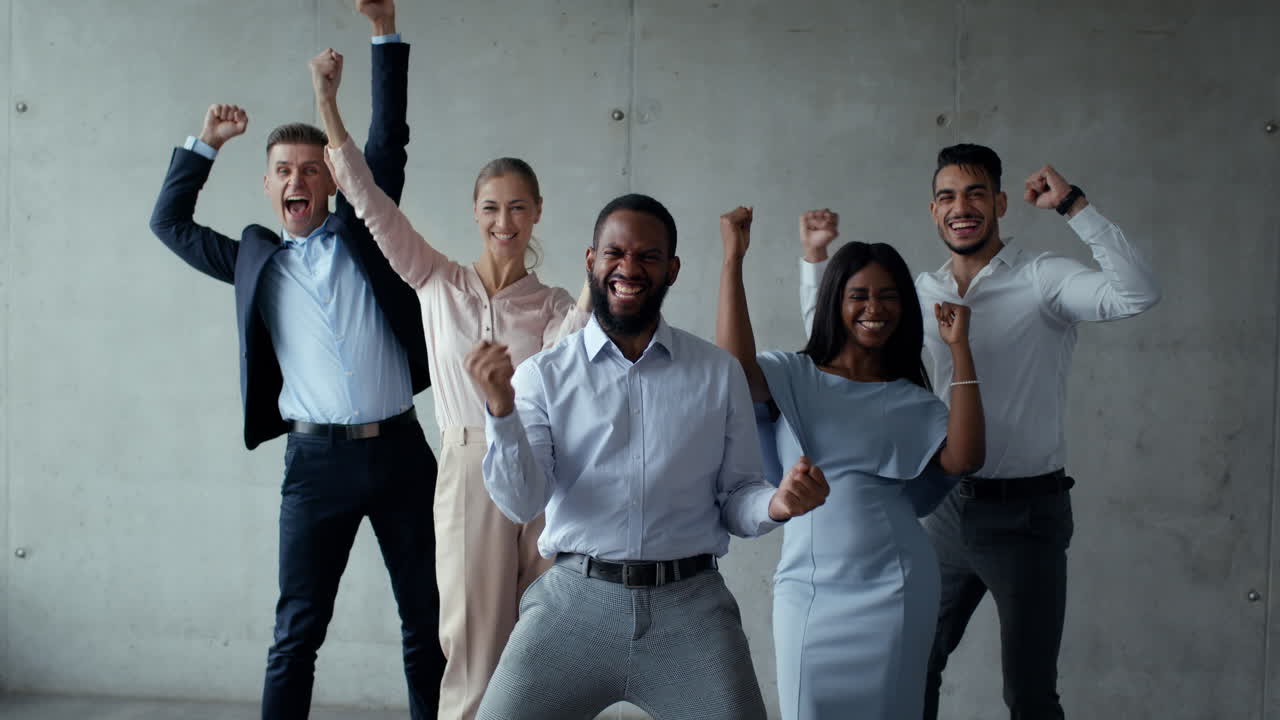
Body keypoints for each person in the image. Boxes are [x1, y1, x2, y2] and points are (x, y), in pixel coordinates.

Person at [147, 3, 445, 718]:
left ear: (334, 181)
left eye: (313, 169)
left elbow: (388, 142)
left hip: (403, 450)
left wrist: (383, 34)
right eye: (283, 169)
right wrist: (207, 143)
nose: (297, 180)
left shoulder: (368, 232)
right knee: (297, 634)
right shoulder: (257, 261)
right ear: (269, 185)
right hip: (316, 468)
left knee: (429, 628)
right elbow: (170, 223)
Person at [799, 145, 1161, 719]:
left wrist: (1072, 205)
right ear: (933, 210)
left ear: (998, 203)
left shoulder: (1044, 279)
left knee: (1029, 693)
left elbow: (1137, 292)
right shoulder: (921, 292)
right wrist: (816, 263)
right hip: (943, 506)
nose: (960, 207)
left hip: (1026, 515)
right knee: (914, 669)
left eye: (974, 194)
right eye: (947, 196)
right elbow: (841, 349)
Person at [462, 194, 830, 720]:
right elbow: (523, 501)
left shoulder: (716, 372)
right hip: (573, 604)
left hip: (691, 609)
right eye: (615, 252)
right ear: (591, 261)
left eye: (648, 256)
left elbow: (738, 497)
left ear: (672, 269)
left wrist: (777, 503)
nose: (628, 268)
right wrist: (501, 411)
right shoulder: (544, 375)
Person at [313, 49, 591, 720]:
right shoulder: (437, 280)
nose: (504, 221)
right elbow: (369, 201)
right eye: (492, 207)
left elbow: (576, 341)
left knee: (544, 632)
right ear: (474, 212)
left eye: (518, 208)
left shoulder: (553, 304)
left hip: (548, 468)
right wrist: (327, 101)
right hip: (471, 464)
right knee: (471, 639)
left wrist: (593, 276)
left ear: (537, 213)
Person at [718, 206, 984, 719]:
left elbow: (967, 456)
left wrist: (960, 348)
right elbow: (731, 374)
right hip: (808, 587)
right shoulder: (795, 375)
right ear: (834, 301)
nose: (874, 308)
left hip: (897, 585)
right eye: (858, 295)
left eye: (888, 296)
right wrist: (733, 260)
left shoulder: (912, 400)